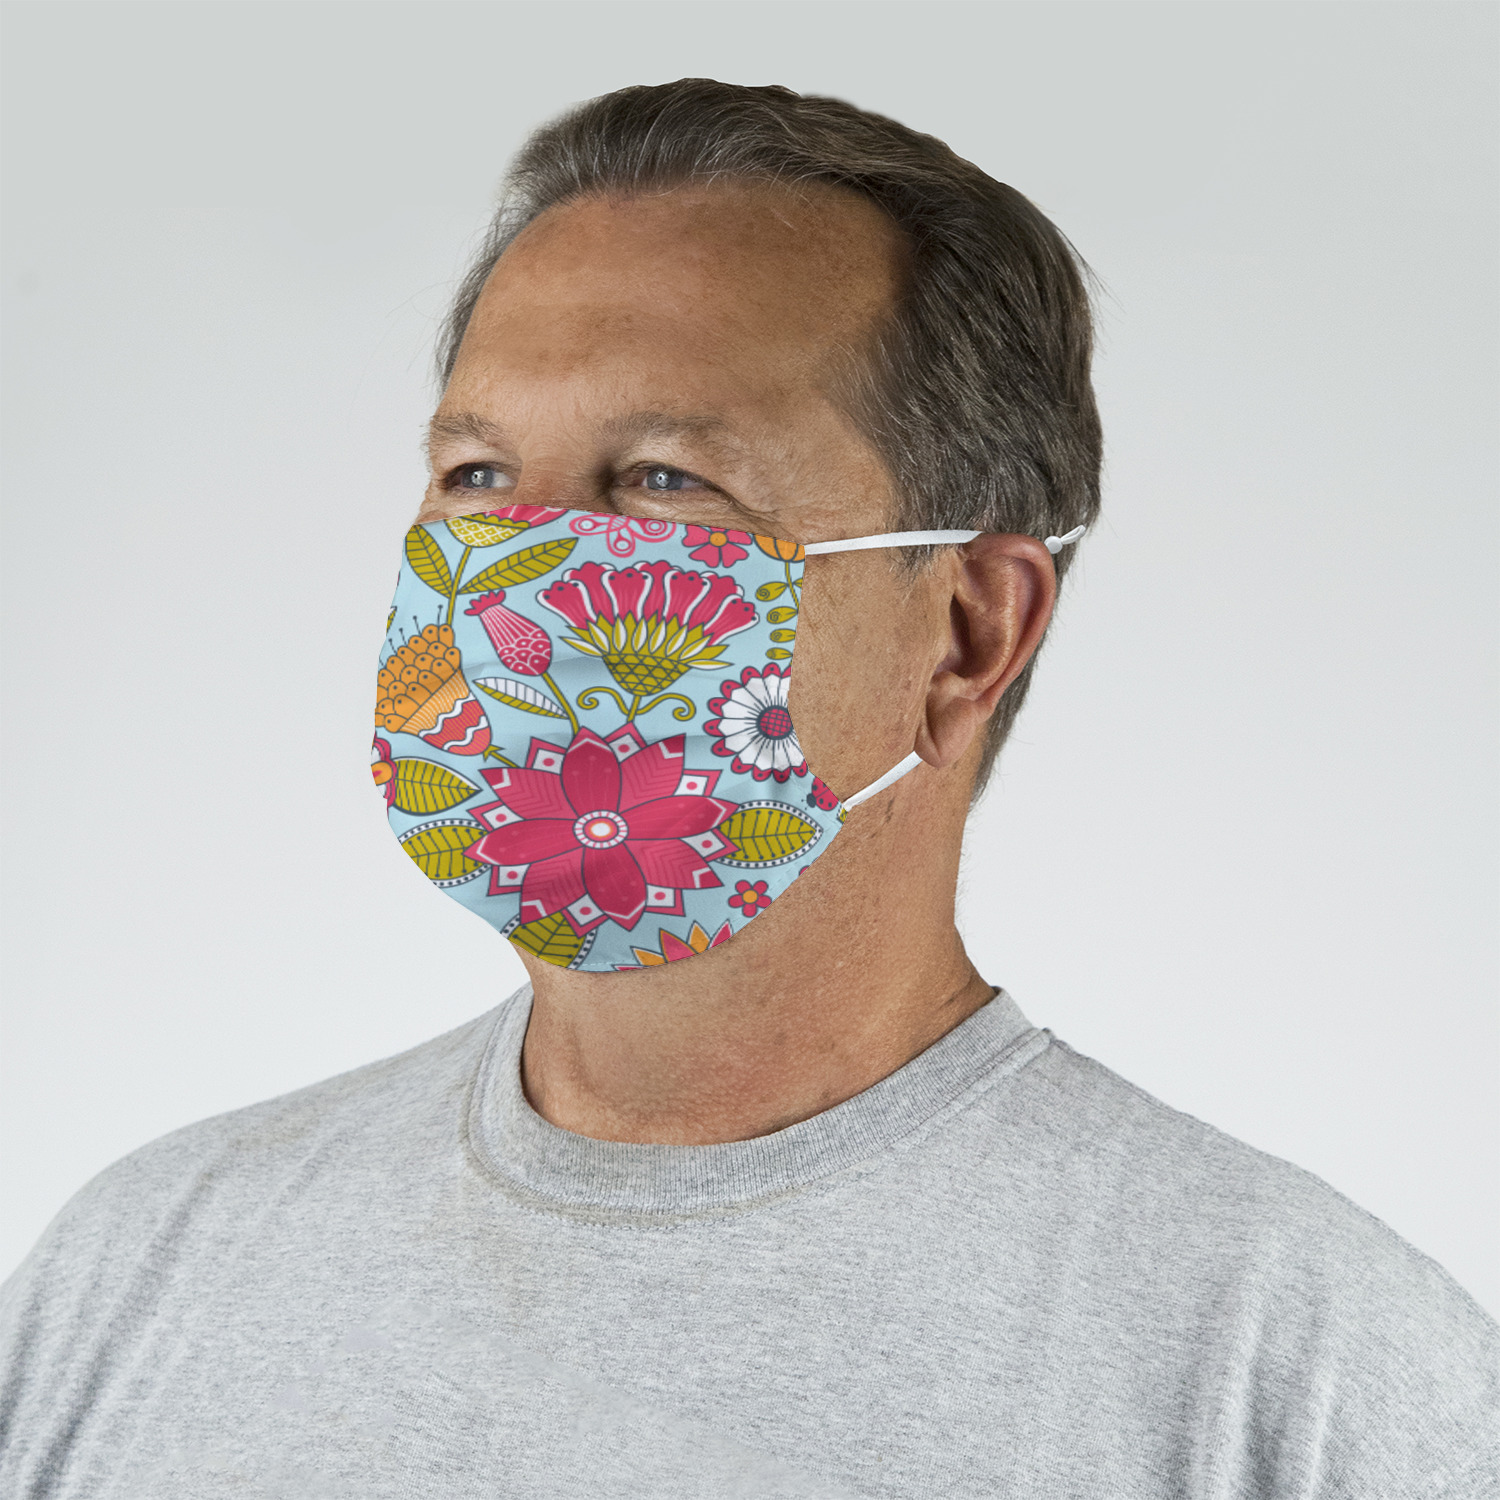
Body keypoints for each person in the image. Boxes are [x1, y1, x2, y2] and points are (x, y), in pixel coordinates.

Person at [2, 78, 1494, 1499]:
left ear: (969, 632)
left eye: (664, 480)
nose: (513, 582)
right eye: (476, 477)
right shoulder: (140, 1270)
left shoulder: (1296, 1375)